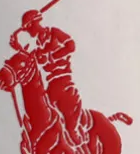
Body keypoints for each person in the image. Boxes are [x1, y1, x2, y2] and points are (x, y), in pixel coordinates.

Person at [11, 10, 89, 145]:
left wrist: (52, 56)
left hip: (63, 79)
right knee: (45, 111)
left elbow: (71, 46)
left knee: (69, 102)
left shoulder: (54, 33)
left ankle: (74, 132)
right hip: (51, 84)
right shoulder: (37, 45)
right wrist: (18, 47)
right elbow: (30, 59)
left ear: (35, 24)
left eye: (29, 28)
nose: (28, 32)